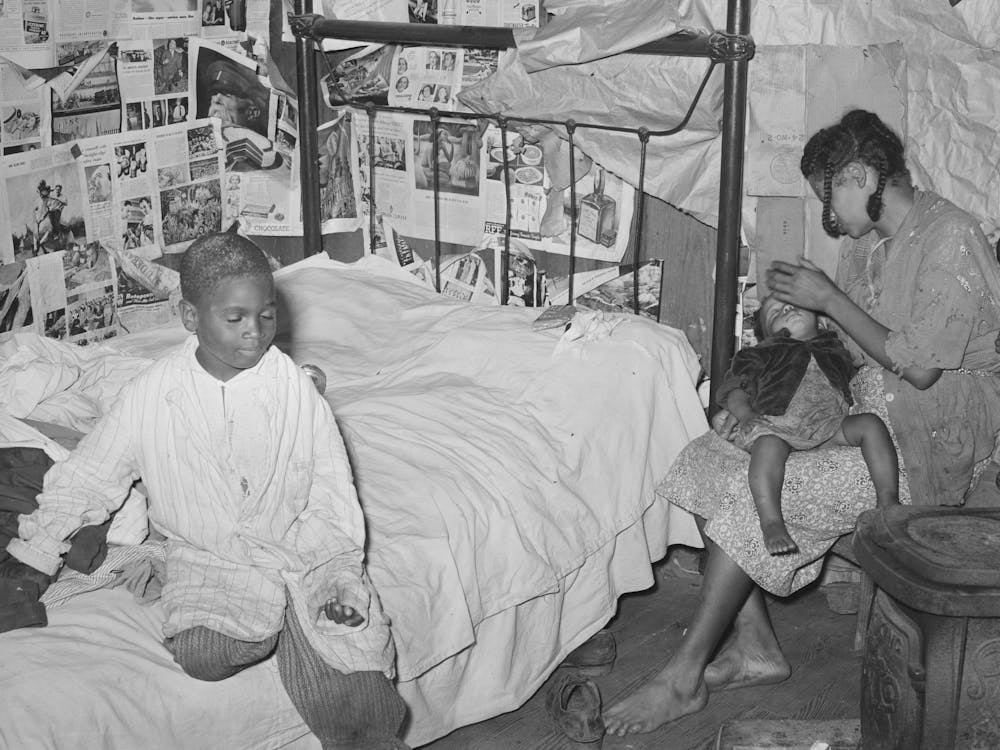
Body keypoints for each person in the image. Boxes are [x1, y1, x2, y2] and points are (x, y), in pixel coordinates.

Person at [603, 108, 1000, 736]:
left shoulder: (951, 236)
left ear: (864, 174)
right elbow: (839, 344)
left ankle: (682, 678)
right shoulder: (867, 247)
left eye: (829, 193)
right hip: (859, 408)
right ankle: (755, 643)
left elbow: (921, 370)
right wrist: (775, 363)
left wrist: (828, 302)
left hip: (927, 432)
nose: (828, 215)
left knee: (761, 495)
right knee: (710, 458)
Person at [0, 233, 411, 750]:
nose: (255, 334)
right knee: (204, 654)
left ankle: (333, 667)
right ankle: (277, 608)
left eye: (266, 315)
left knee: (350, 667)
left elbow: (332, 490)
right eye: (234, 318)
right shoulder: (152, 394)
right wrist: (33, 554)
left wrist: (338, 566)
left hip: (303, 546)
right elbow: (88, 476)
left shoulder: (294, 390)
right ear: (190, 316)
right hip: (210, 552)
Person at [715, 293, 898, 555]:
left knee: (870, 424)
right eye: (776, 313)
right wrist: (745, 415)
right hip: (776, 425)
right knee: (767, 447)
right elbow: (735, 387)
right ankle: (771, 521)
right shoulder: (762, 352)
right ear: (768, 335)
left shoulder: (835, 349)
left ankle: (888, 501)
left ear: (820, 320)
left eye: (793, 304)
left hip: (828, 426)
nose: (787, 309)